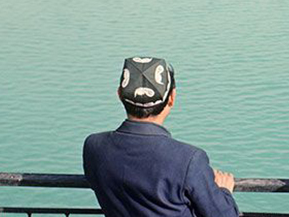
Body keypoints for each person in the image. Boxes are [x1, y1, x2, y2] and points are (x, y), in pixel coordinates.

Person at [83, 56, 240, 217]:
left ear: (119, 94)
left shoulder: (94, 147)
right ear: (172, 97)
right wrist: (224, 192)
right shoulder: (189, 160)